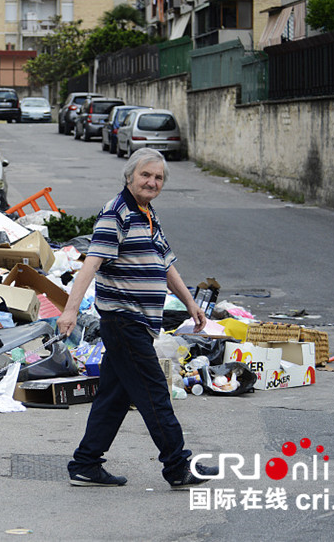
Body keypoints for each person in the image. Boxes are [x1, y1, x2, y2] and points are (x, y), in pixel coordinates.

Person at [56, 148, 217, 489]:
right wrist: (70, 310)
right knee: (154, 392)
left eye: (158, 177)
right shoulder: (117, 212)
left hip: (138, 322)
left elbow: (165, 263)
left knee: (115, 395)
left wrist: (191, 303)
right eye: (146, 175)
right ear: (129, 176)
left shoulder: (146, 213)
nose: (152, 182)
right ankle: (177, 467)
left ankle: (86, 464)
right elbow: (91, 263)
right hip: (124, 320)